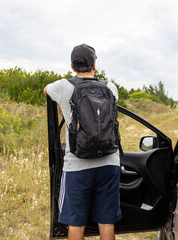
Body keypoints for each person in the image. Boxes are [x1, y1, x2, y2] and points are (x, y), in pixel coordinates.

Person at [44, 44, 121, 240]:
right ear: (94, 64)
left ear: (72, 66)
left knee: (76, 223)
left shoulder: (63, 87)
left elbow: (45, 90)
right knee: (106, 221)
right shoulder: (110, 88)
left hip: (77, 165)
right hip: (109, 162)